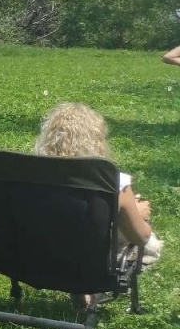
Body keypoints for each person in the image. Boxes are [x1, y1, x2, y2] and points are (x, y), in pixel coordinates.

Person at [34, 102, 163, 270]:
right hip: (92, 263)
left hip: (41, 259)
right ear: (96, 142)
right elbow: (141, 237)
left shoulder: (30, 177)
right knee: (151, 244)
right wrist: (137, 213)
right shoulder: (112, 182)